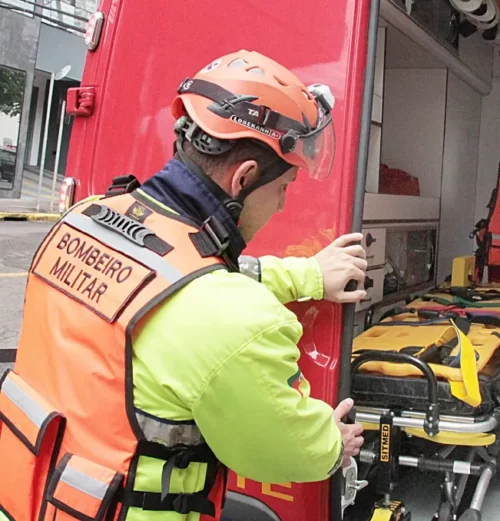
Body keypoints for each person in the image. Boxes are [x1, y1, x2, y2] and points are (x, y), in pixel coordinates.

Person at [0, 50, 366, 521]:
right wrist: (333, 443)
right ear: (244, 178)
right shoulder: (230, 319)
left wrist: (310, 276)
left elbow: (183, 276)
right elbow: (280, 449)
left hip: (23, 498)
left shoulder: (83, 219)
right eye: (283, 188)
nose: (280, 206)